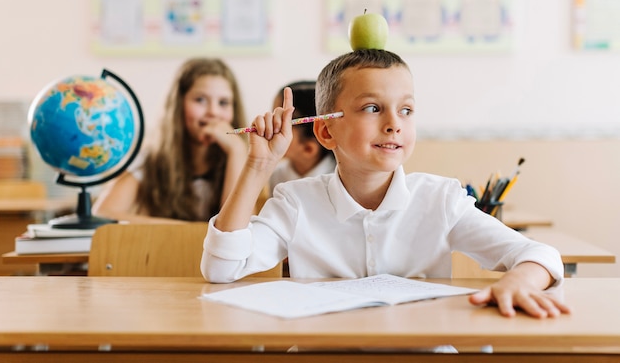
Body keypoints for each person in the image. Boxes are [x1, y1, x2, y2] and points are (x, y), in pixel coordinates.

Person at [200, 49, 571, 319]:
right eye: (373, 108)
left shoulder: (439, 199)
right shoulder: (295, 202)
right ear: (326, 130)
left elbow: (541, 256)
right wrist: (257, 164)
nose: (394, 123)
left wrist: (518, 281)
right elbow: (221, 269)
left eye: (406, 110)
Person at [93, 58, 248, 223]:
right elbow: (102, 214)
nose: (213, 112)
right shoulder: (150, 160)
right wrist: (183, 231)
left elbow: (239, 228)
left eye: (223, 103)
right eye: (200, 100)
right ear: (179, 105)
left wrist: (237, 152)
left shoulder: (240, 159)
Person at [268, 81, 336, 192]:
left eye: (281, 121)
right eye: (273, 115)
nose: (270, 124)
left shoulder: (338, 182)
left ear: (308, 149)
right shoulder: (277, 176)